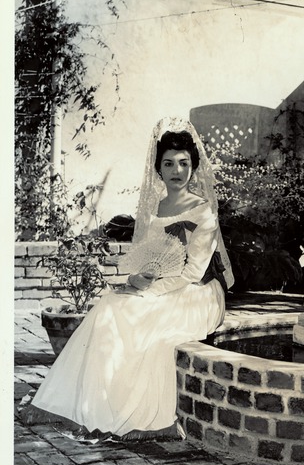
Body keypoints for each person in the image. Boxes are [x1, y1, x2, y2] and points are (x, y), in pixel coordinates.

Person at [22, 117, 234, 440]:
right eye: (169, 164)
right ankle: (91, 404)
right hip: (161, 288)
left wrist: (148, 293)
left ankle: (134, 415)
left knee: (149, 332)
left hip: (197, 293)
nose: (177, 171)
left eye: (183, 163)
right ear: (158, 169)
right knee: (107, 308)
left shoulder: (203, 212)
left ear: (193, 166)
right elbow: (148, 259)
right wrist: (139, 280)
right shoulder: (156, 209)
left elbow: (192, 272)